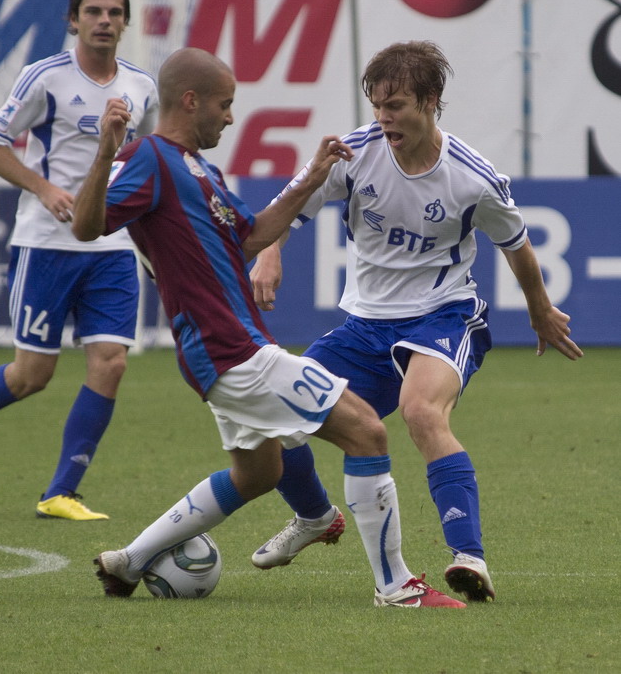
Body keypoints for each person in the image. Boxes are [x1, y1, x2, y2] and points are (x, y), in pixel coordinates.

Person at [71, 46, 465, 607]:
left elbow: (252, 236)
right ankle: (396, 587)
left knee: (259, 472)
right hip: (229, 347)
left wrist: (313, 176)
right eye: (224, 105)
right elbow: (89, 226)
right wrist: (106, 150)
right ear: (191, 101)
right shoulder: (148, 159)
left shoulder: (200, 170)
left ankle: (129, 562)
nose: (231, 116)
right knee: (366, 431)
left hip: (224, 349)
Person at [249, 40, 584, 602]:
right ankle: (313, 517)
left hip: (443, 316)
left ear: (431, 102)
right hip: (363, 326)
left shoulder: (473, 177)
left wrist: (539, 310)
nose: (384, 117)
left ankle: (469, 557)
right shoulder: (353, 154)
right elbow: (289, 203)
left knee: (421, 412)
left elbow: (518, 246)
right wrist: (270, 251)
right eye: (377, 104)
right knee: (271, 411)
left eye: (397, 105)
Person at [0, 0, 159, 520]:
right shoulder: (45, 78)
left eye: (114, 13)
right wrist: (45, 187)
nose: (104, 21)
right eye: (94, 12)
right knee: (33, 375)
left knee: (111, 364)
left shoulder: (141, 86)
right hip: (46, 243)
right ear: (73, 19)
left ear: (125, 22)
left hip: (110, 246)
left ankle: (61, 491)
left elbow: (148, 160)